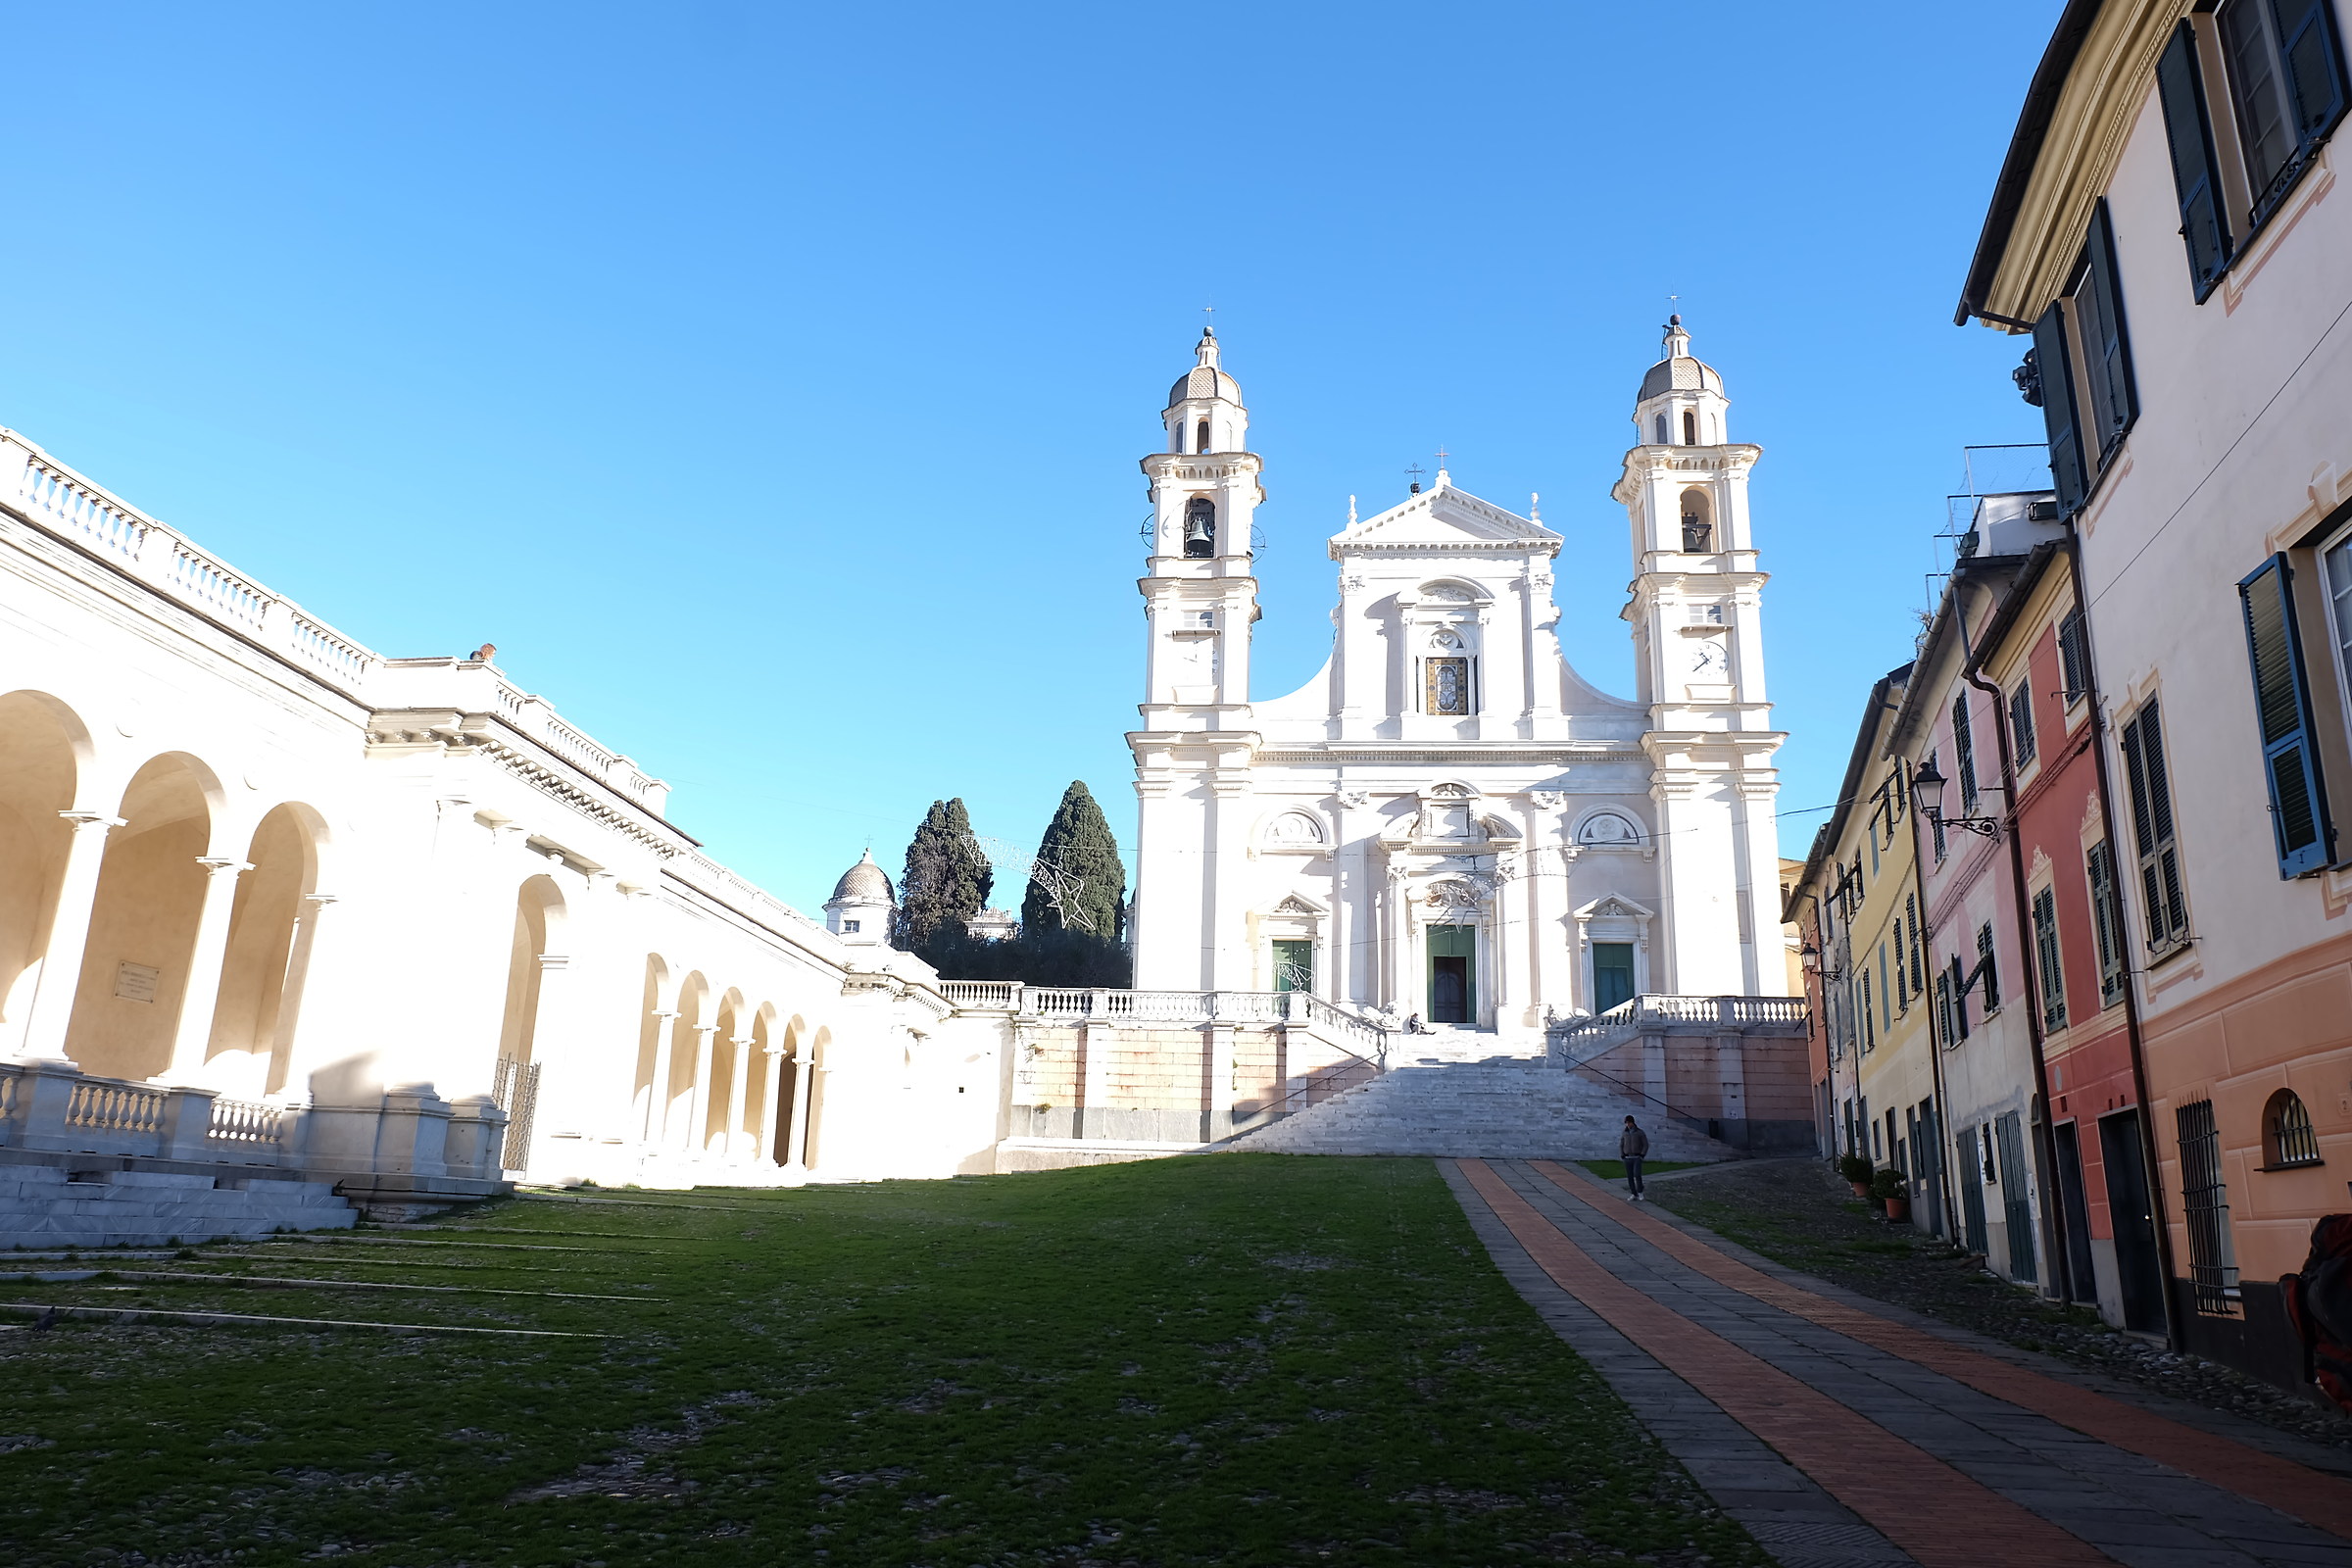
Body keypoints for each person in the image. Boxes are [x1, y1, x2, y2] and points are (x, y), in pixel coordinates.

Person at [1620, 1115, 1649, 1200]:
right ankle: (1633, 1193)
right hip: (1627, 1157)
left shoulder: (1639, 1132)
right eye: (1626, 1123)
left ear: (1632, 1122)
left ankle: (1640, 1191)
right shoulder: (1625, 1133)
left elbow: (1645, 1144)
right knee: (1630, 1176)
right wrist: (1622, 1154)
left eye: (1629, 1122)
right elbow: (1621, 1144)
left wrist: (1642, 1155)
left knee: (1637, 1174)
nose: (1628, 1124)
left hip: (1637, 1157)